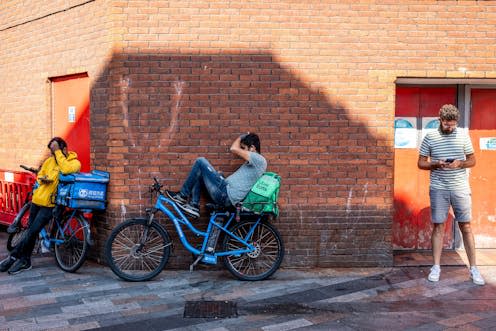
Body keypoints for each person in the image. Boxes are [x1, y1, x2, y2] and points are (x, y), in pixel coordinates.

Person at [418, 104, 484, 285]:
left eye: (453, 125)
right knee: (438, 226)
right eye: (447, 125)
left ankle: (474, 269)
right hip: (438, 187)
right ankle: (436, 267)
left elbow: (472, 160)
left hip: (460, 188)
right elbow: (421, 163)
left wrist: (459, 164)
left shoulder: (462, 135)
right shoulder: (430, 137)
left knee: (467, 226)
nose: (450, 128)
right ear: (440, 120)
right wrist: (435, 164)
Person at [0, 137, 81, 274]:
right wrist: (43, 178)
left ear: (64, 149)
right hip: (38, 200)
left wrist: (58, 153)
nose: (52, 154)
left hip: (51, 204)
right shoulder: (49, 161)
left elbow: (66, 170)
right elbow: (41, 175)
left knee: (32, 231)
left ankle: (13, 256)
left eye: (54, 150)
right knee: (31, 232)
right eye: (51, 151)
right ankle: (25, 261)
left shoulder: (74, 162)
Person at [166, 133, 266, 218]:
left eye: (244, 148)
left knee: (200, 161)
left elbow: (233, 148)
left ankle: (182, 195)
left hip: (226, 195)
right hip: (225, 192)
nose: (243, 151)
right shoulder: (254, 162)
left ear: (252, 148)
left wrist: (241, 136)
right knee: (200, 171)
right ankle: (194, 205)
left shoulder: (259, 159)